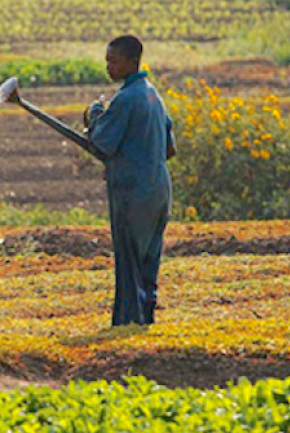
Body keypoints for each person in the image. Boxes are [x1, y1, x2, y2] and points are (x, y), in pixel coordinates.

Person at [86, 35, 176, 326]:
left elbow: (102, 143)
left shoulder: (125, 99)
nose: (108, 67)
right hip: (159, 190)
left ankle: (127, 322)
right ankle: (145, 318)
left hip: (133, 193)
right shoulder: (153, 95)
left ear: (130, 61)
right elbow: (169, 148)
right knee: (148, 260)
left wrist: (96, 114)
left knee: (129, 262)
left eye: (113, 61)